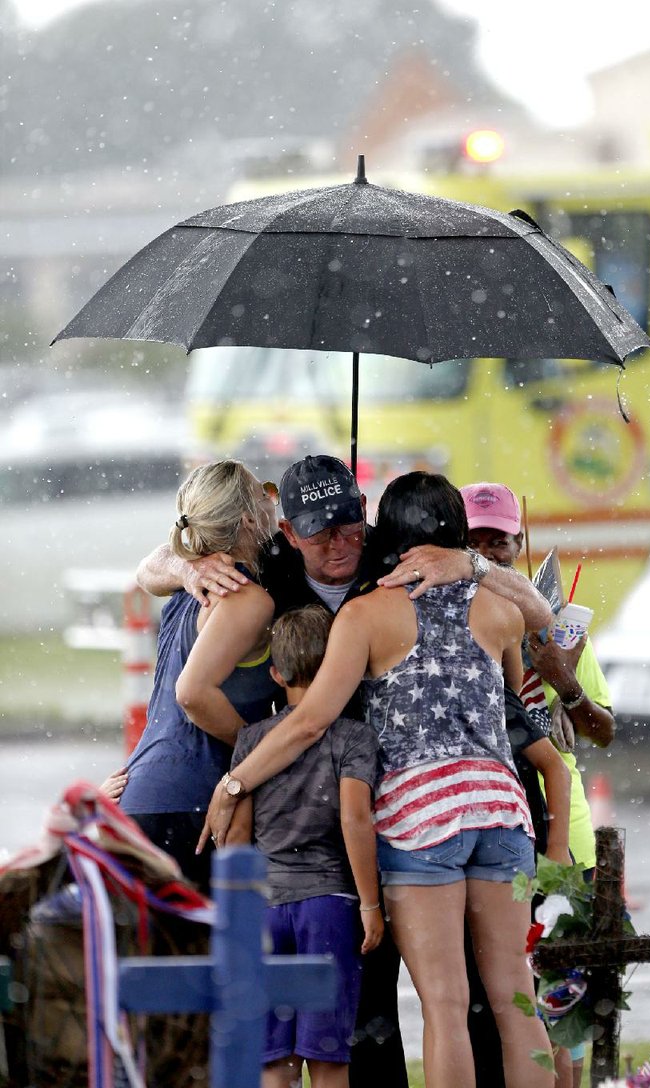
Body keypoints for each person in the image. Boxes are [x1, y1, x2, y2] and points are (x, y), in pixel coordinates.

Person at [137, 453, 554, 1088]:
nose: (341, 542)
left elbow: (536, 612)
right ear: (286, 531)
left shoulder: (393, 564)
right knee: (390, 995)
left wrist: (470, 560)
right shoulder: (266, 575)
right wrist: (180, 562)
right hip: (329, 808)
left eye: (350, 525)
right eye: (320, 531)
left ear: (368, 516)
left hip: (397, 803)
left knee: (448, 998)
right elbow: (152, 570)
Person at [461, 480, 616, 1088]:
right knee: (497, 1001)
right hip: (482, 824)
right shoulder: (447, 617)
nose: (490, 552)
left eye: (500, 540)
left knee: (559, 1008)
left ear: (519, 544)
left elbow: (602, 731)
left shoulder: (558, 628)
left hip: (560, 828)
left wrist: (563, 680)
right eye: (475, 540)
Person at [227, 604, 383, 1088]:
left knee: (274, 1059)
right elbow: (355, 818)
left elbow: (236, 837)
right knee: (328, 1056)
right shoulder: (353, 737)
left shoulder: (253, 741)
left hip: (266, 910)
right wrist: (371, 904)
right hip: (329, 908)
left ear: (276, 673)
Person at [115, 459, 277, 890]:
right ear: (249, 518)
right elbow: (192, 694)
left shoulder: (190, 587)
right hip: (190, 807)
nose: (273, 503)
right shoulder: (245, 598)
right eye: (266, 495)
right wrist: (265, 752)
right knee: (212, 956)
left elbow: (150, 568)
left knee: (147, 957)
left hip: (140, 797)